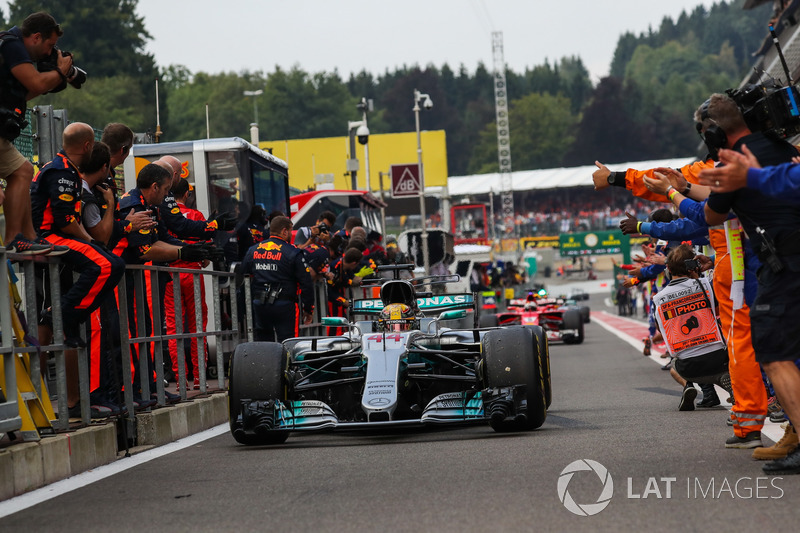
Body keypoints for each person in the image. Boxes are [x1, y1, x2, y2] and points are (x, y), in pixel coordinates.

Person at [1, 12, 74, 254]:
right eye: (49, 46)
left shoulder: (11, 49)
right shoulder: (12, 45)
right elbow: (36, 84)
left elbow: (24, 94)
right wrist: (60, 72)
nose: (49, 53)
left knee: (22, 170)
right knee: (20, 171)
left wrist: (54, 79)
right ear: (35, 37)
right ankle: (14, 239)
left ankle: (29, 236)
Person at [654, 244, 733, 413]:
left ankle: (689, 385)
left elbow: (660, 330)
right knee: (723, 360)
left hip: (687, 367)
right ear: (693, 266)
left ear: (668, 268)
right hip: (719, 359)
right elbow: (720, 310)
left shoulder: (658, 299)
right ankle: (728, 382)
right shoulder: (707, 285)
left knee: (674, 366)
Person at [165, 178, 210, 390]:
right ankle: (200, 379)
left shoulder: (164, 215)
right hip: (192, 274)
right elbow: (207, 257)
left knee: (174, 329)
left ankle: (181, 381)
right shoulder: (197, 216)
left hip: (170, 275)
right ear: (187, 194)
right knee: (197, 327)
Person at [241, 216, 314, 342]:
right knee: (289, 343)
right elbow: (306, 283)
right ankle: (287, 362)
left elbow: (243, 274)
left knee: (264, 343)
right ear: (284, 231)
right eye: (291, 231)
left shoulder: (253, 250)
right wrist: (308, 309)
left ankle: (266, 362)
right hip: (285, 305)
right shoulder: (293, 252)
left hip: (260, 305)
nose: (291, 234)